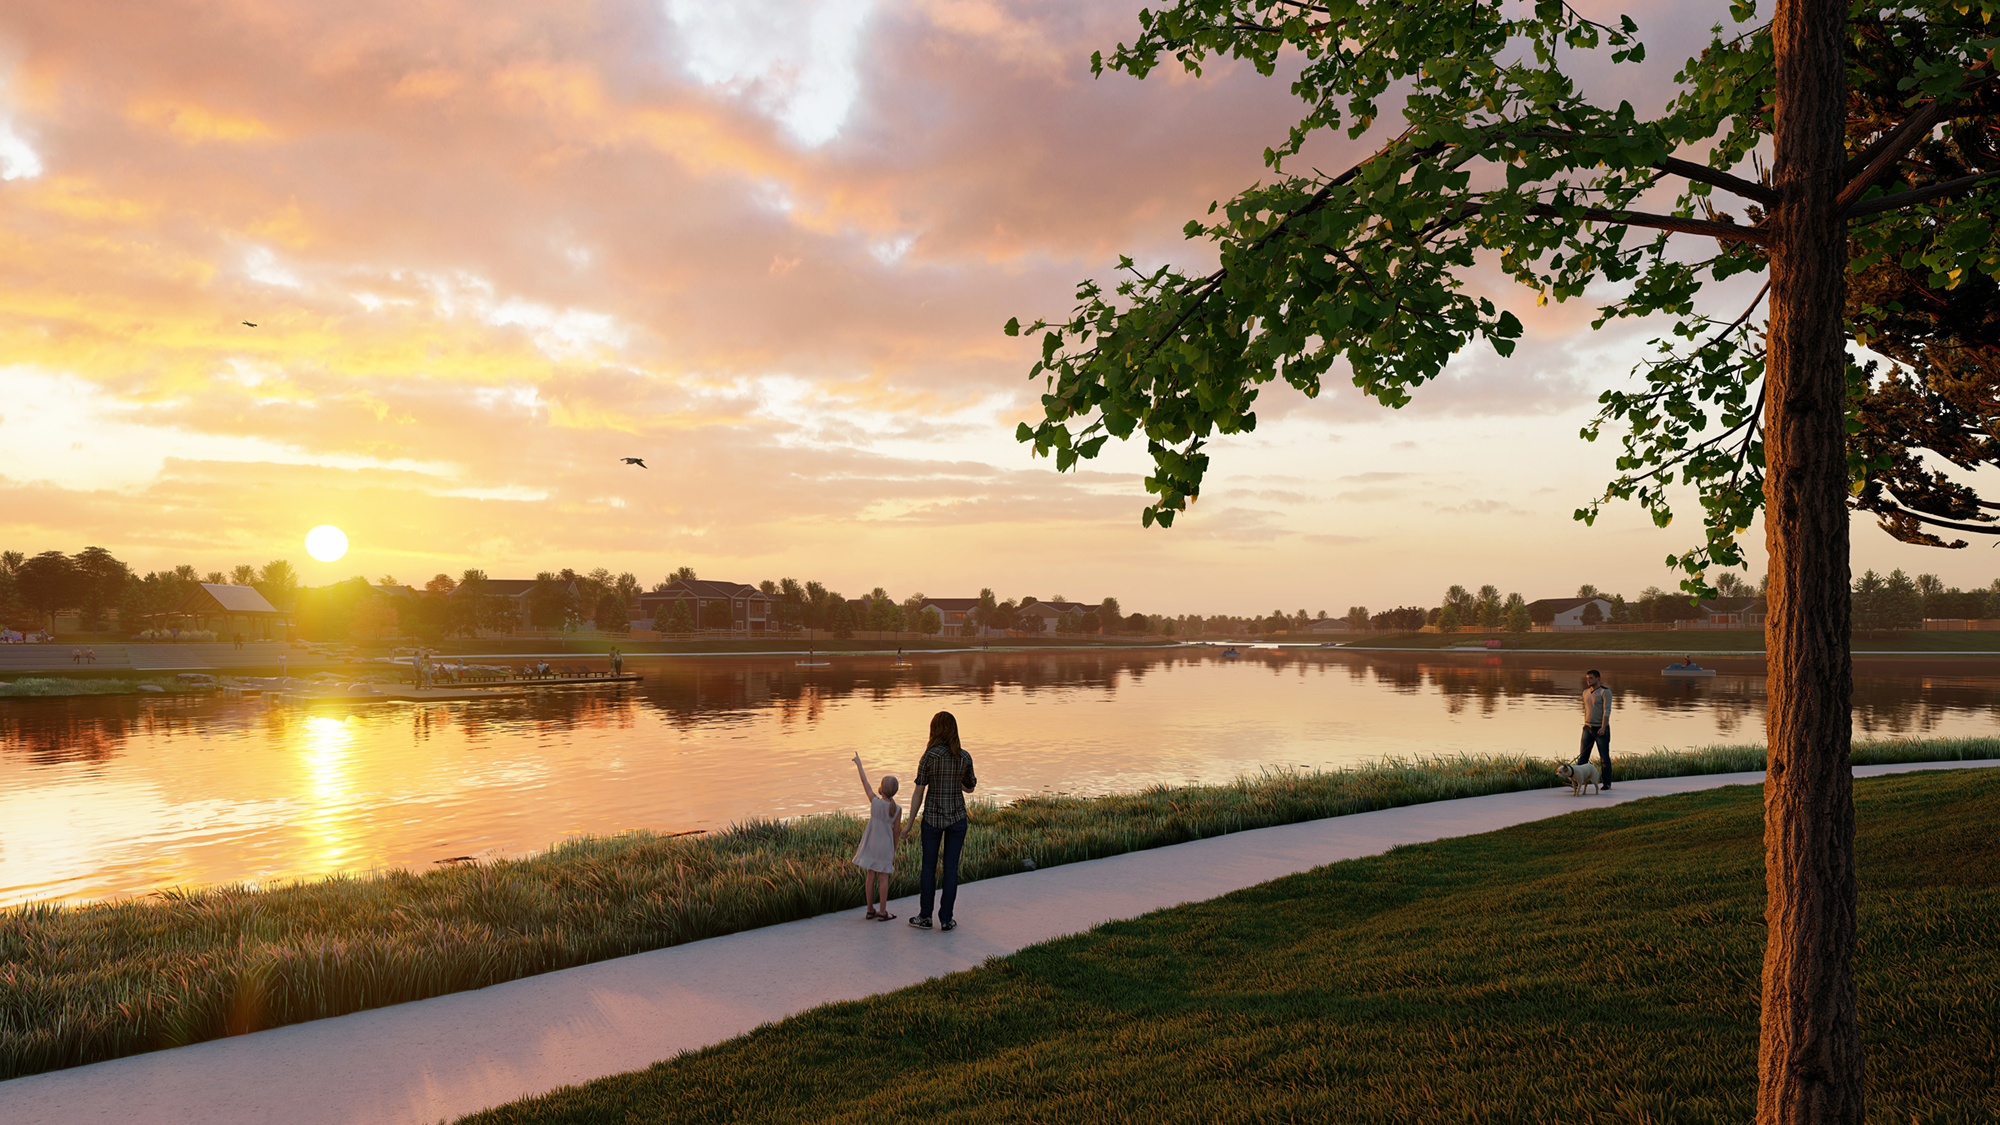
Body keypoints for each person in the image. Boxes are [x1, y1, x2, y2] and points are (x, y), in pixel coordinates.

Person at [904, 710, 977, 931]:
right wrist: (955, 779)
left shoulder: (929, 756)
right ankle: (946, 919)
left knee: (928, 868)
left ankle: (925, 917)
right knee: (951, 869)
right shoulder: (964, 757)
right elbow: (970, 788)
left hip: (932, 819)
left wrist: (909, 823)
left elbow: (918, 792)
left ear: (934, 729)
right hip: (957, 818)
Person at [850, 753, 902, 921]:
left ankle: (869, 909)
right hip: (886, 847)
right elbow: (896, 833)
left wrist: (859, 764)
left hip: (872, 845)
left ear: (881, 789)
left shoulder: (875, 802)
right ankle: (883, 912)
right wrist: (893, 850)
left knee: (870, 876)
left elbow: (864, 782)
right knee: (884, 877)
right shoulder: (897, 809)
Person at [1576, 668, 1613, 791]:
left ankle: (1607, 783)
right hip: (1587, 728)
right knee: (1583, 757)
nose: (1588, 680)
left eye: (1591, 678)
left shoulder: (1605, 692)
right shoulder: (1585, 692)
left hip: (1600, 729)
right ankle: (1576, 782)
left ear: (1598, 679)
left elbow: (1607, 711)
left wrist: (1603, 727)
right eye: (1587, 678)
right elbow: (1587, 709)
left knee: (1604, 758)